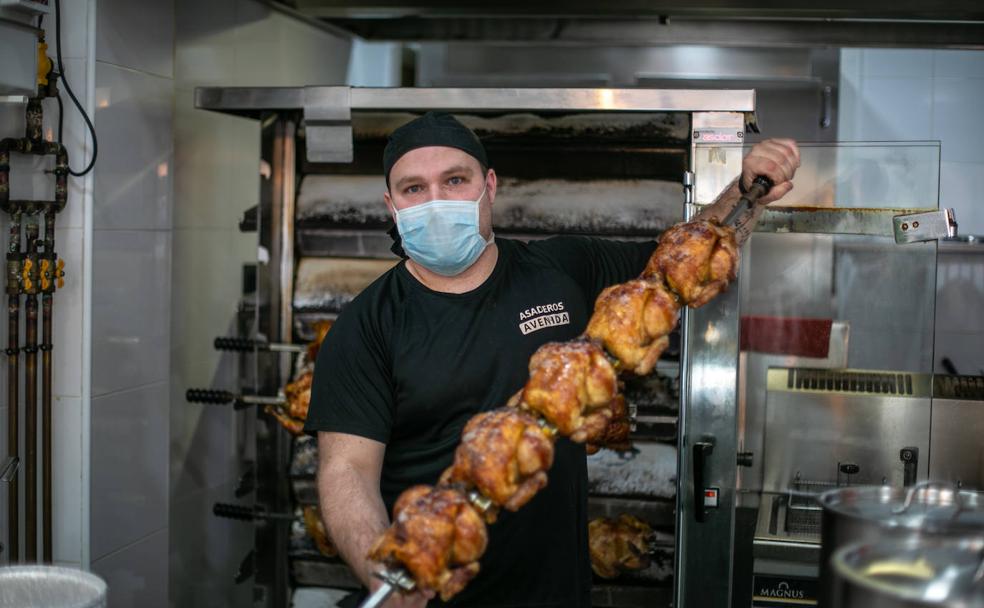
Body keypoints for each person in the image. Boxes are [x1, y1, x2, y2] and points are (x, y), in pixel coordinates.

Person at [304, 111, 800, 607]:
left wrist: (745, 190)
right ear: (391, 206)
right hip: (434, 594)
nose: (436, 201)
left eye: (455, 180)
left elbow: (686, 259)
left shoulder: (563, 268)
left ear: (489, 186)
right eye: (414, 189)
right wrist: (380, 571)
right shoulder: (365, 326)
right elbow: (346, 469)